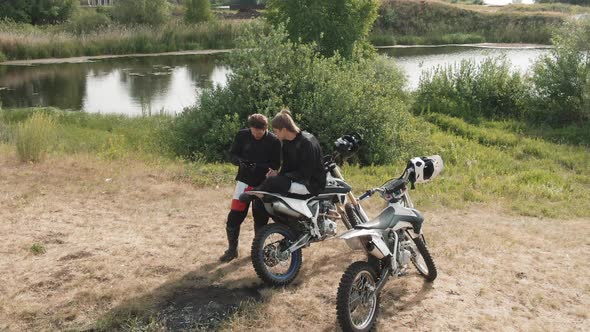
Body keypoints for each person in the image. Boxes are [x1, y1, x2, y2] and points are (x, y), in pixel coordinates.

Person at [219, 114, 281, 262]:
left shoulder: (274, 141)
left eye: (260, 132)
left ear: (266, 128)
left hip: (263, 184)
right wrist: (241, 162)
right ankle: (232, 250)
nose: (257, 135)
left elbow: (276, 165)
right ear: (250, 128)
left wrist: (259, 167)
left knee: (260, 218)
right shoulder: (242, 135)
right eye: (254, 132)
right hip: (244, 182)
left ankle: (257, 251)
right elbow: (233, 155)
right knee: (234, 216)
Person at [241, 109, 326, 200]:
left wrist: (280, 178)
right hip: (299, 179)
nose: (275, 135)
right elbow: (287, 167)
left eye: (276, 131)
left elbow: (305, 174)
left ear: (284, 130)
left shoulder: (307, 143)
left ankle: (254, 194)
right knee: (270, 179)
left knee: (272, 182)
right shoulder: (286, 143)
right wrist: (278, 174)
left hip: (311, 184)